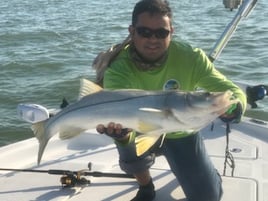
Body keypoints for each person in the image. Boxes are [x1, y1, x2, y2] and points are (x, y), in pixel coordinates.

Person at [94, 0, 247, 201]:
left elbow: (231, 91)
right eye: (145, 32)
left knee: (209, 197)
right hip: (140, 129)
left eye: (161, 33)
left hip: (181, 131)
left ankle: (205, 174)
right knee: (126, 144)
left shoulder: (190, 57)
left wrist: (235, 107)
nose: (153, 39)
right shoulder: (118, 69)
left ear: (171, 32)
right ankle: (146, 186)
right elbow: (121, 124)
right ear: (132, 32)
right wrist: (122, 136)